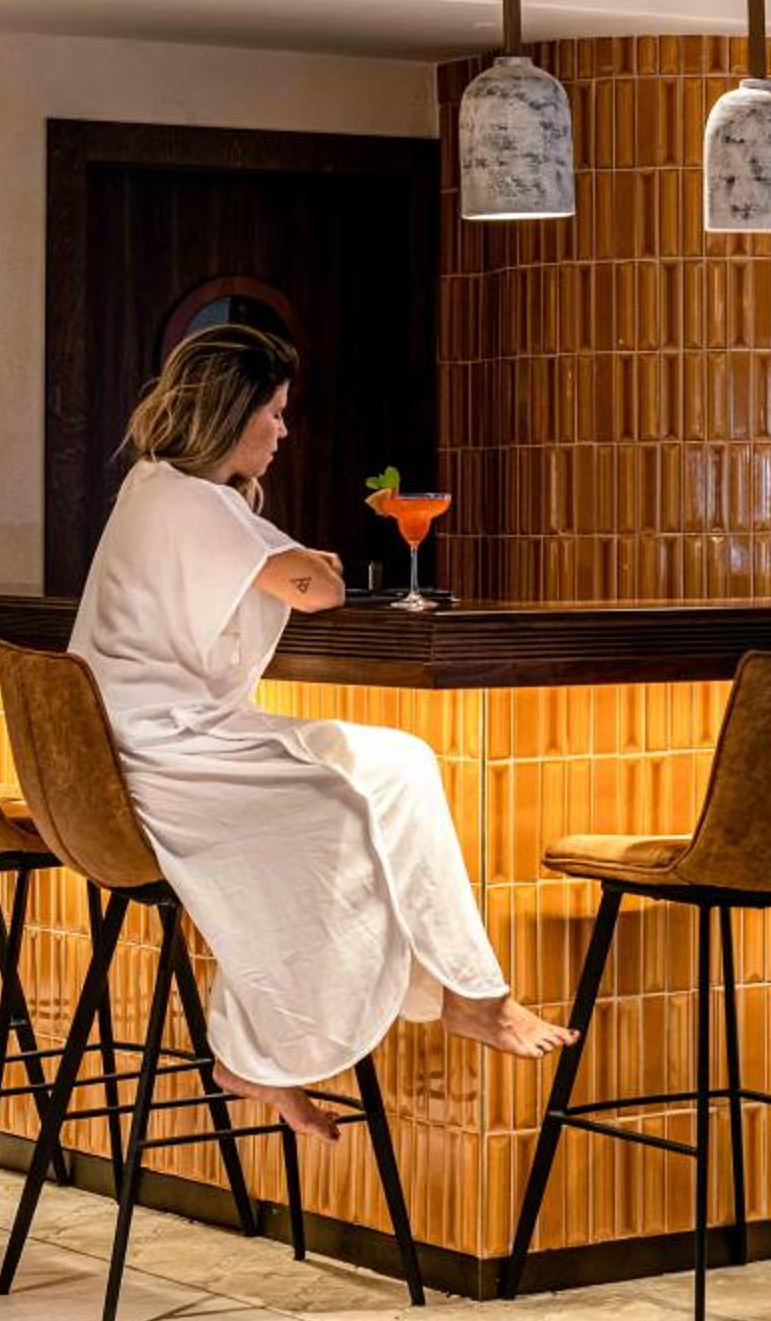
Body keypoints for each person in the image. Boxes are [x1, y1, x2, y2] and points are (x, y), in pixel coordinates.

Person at [68, 323, 572, 1142]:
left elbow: (296, 574)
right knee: (333, 814)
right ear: (231, 416)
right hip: (161, 752)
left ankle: (470, 991)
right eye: (273, 412)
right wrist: (310, 565)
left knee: (399, 764)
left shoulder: (163, 488)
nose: (283, 431)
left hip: (185, 735)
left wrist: (303, 565)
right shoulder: (188, 500)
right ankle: (260, 1055)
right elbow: (318, 588)